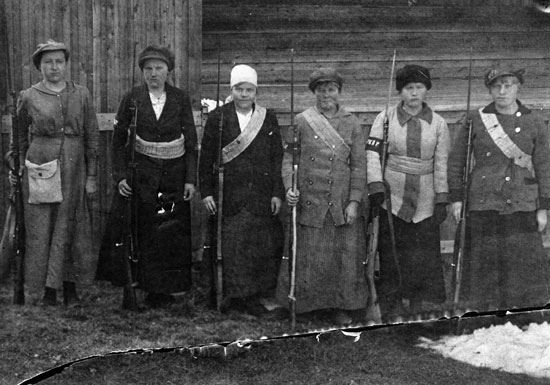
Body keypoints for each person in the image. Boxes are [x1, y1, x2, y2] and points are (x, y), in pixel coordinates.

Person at [98, 45, 198, 307]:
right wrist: (120, 177)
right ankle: (140, 284)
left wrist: (190, 179)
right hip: (141, 176)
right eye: (148, 69)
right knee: (144, 231)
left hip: (173, 177)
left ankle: (163, 290)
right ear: (142, 72)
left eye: (159, 68)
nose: (154, 74)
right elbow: (118, 142)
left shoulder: (180, 98)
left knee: (169, 231)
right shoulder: (132, 98)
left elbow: (191, 142)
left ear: (168, 71)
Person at [448, 66, 550, 312]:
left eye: (508, 85)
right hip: (484, 201)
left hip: (522, 201)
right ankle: (484, 315)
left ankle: (524, 315)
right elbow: (457, 162)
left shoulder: (534, 121)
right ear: (490, 89)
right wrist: (457, 199)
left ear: (518, 87)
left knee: (521, 263)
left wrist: (543, 208)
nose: (502, 91)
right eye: (496, 86)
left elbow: (544, 167)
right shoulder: (475, 119)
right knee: (485, 263)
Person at [9, 40, 99, 306]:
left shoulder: (81, 93)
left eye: (59, 61)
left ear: (66, 64)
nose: (54, 67)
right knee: (42, 228)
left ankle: (70, 287)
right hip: (41, 167)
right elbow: (18, 142)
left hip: (74, 168)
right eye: (48, 62)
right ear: (39, 66)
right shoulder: (28, 96)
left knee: (71, 227)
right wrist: (17, 168)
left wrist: (92, 175)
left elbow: (92, 137)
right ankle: (46, 290)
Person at [277, 68, 368, 326]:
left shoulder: (352, 122)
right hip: (310, 201)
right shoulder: (302, 121)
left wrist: (354, 201)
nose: (326, 94)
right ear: (314, 92)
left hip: (339, 203)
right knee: (310, 257)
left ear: (338, 92)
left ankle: (341, 306)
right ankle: (307, 306)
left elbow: (359, 166)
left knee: (342, 258)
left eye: (331, 89)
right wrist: (289, 188)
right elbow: (288, 159)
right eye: (321, 89)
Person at [366, 65, 450, 320]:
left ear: (426, 90)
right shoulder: (385, 118)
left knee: (423, 255)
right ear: (400, 91)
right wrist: (376, 186)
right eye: (408, 88)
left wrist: (441, 198)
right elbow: (372, 154)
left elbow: (441, 161)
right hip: (393, 197)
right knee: (392, 253)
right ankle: (392, 308)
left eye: (419, 88)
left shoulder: (438, 123)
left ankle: (420, 306)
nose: (414, 93)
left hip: (425, 198)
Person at [199, 64, 284, 315]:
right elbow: (206, 158)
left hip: (259, 195)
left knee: (257, 246)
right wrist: (206, 193)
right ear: (231, 90)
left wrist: (276, 192)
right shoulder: (218, 118)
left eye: (249, 90)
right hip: (228, 195)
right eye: (239, 89)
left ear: (256, 91)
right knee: (228, 245)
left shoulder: (267, 117)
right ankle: (228, 294)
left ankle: (253, 297)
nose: (244, 94)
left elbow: (276, 157)